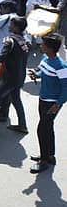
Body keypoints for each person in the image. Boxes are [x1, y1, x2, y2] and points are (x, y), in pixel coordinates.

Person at [28, 34, 67, 173]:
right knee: (48, 127)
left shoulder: (61, 66)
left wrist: (58, 103)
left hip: (52, 103)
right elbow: (43, 72)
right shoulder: (45, 59)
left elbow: (65, 87)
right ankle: (49, 155)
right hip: (43, 99)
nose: (40, 46)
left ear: (50, 48)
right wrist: (36, 74)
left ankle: (44, 160)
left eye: (43, 44)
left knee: (42, 129)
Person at [0, 16, 29, 132]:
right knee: (16, 100)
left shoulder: (10, 41)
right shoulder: (23, 41)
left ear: (17, 27)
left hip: (9, 78)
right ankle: (22, 125)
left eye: (12, 25)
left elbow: (0, 58)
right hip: (19, 77)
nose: (9, 26)